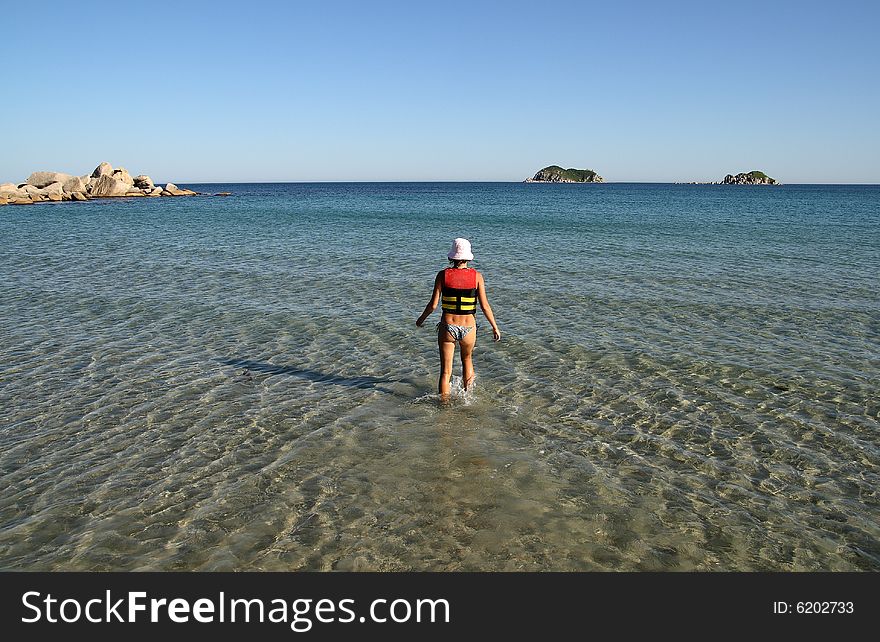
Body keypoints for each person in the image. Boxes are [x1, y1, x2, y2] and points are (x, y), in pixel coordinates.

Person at [416, 238, 501, 399]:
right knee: (467, 360)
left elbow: (433, 305)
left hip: (448, 327)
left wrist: (421, 320)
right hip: (469, 328)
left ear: (452, 257)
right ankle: (468, 399)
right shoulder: (477, 277)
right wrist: (494, 327)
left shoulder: (442, 275)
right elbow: (485, 306)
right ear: (468, 257)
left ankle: (444, 406)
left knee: (445, 371)